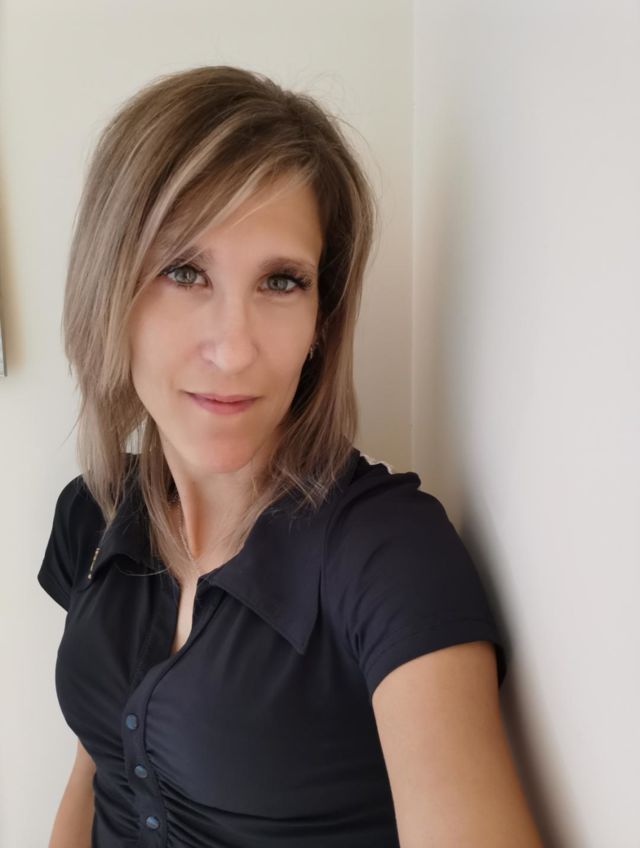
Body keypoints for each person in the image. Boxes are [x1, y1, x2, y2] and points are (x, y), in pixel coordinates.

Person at [38, 65, 543, 847]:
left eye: (280, 281)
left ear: (320, 324)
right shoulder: (94, 516)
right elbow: (98, 768)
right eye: (184, 271)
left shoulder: (389, 556)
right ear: (109, 293)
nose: (234, 348)